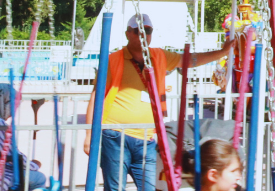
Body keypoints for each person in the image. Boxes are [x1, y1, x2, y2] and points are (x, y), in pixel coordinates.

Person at [83, 13, 233, 191]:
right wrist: (88, 134)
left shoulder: (159, 56)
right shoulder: (113, 60)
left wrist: (222, 53)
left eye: (148, 31)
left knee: (150, 187)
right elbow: (96, 96)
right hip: (115, 134)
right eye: (139, 31)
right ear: (128, 34)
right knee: (115, 187)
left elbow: (190, 60)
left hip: (147, 137)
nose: (144, 35)